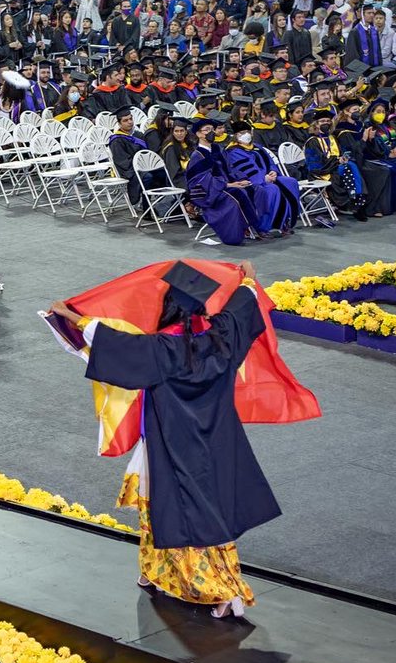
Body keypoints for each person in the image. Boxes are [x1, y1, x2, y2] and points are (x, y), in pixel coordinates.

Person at [48, 260, 283, 618]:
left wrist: (70, 315)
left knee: (183, 514)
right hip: (217, 441)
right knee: (203, 511)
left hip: (172, 444)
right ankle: (156, 570)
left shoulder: (162, 349)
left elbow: (112, 342)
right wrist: (248, 279)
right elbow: (242, 305)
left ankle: (223, 590)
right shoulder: (222, 337)